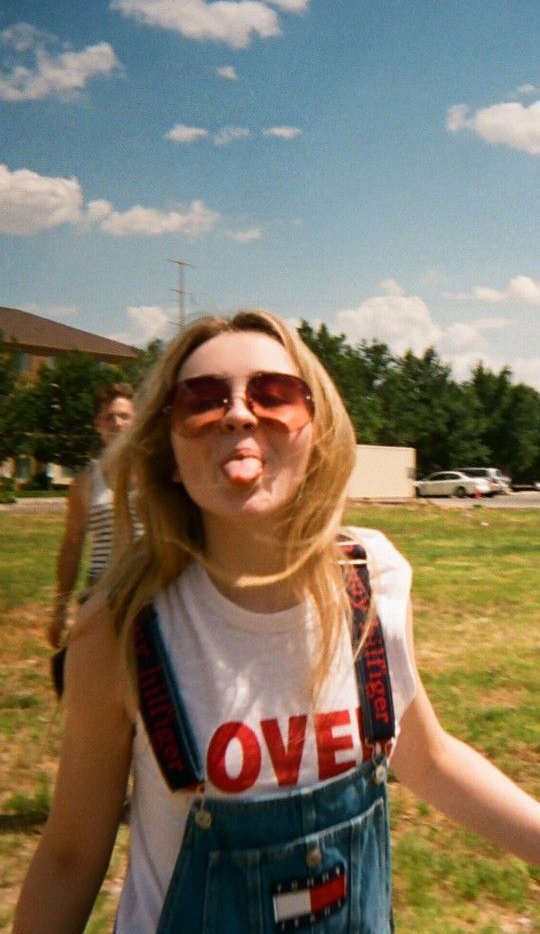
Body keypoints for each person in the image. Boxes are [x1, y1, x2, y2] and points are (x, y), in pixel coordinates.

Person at [14, 309, 540, 934]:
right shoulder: (120, 628)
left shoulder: (372, 579)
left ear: (316, 434)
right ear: (171, 455)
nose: (238, 414)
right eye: (203, 401)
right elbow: (71, 859)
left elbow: (427, 758)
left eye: (273, 394)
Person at [47, 382, 136, 650]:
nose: (117, 423)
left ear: (137, 421)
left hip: (152, 589)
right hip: (101, 591)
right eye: (109, 417)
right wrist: (60, 607)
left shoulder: (159, 473)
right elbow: (72, 545)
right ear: (98, 424)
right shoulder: (85, 482)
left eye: (124, 416)